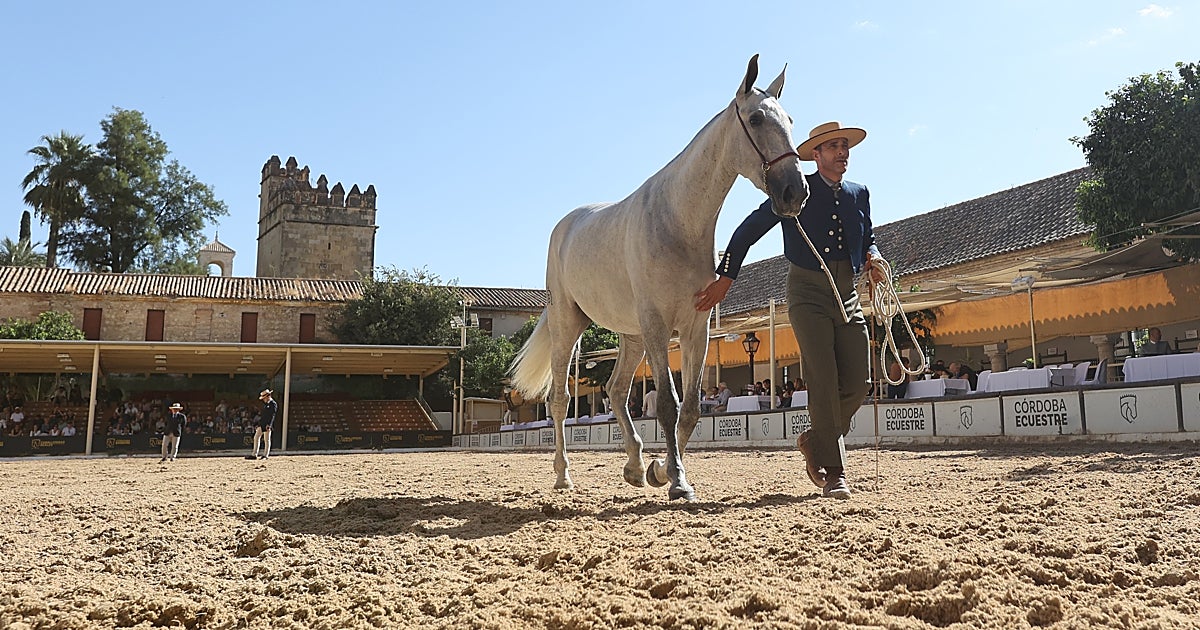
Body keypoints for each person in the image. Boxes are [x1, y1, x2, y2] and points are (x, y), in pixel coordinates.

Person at [696, 121, 884, 500]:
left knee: (861, 381)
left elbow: (868, 239)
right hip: (807, 292)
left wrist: (875, 258)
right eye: (832, 147)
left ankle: (816, 439)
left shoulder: (858, 193)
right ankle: (835, 472)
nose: (841, 152)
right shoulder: (795, 189)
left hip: (848, 293)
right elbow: (748, 230)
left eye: (844, 146)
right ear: (816, 155)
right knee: (824, 379)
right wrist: (725, 278)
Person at [250, 389, 278, 460]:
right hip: (262, 423)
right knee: (256, 437)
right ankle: (254, 454)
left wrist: (269, 424)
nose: (264, 399)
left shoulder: (273, 404)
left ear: (268, 396)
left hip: (267, 424)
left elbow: (272, 415)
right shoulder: (266, 404)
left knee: (267, 439)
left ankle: (266, 455)